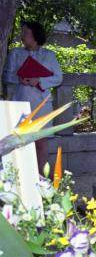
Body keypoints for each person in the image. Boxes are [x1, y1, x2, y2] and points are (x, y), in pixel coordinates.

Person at [3, 21, 63, 174]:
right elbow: (7, 75)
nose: (22, 36)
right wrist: (19, 79)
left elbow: (58, 78)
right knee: (20, 142)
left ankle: (40, 177)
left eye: (25, 33)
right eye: (22, 33)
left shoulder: (49, 55)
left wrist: (39, 81)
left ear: (35, 35)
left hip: (42, 104)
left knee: (41, 142)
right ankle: (22, 176)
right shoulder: (16, 53)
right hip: (20, 102)